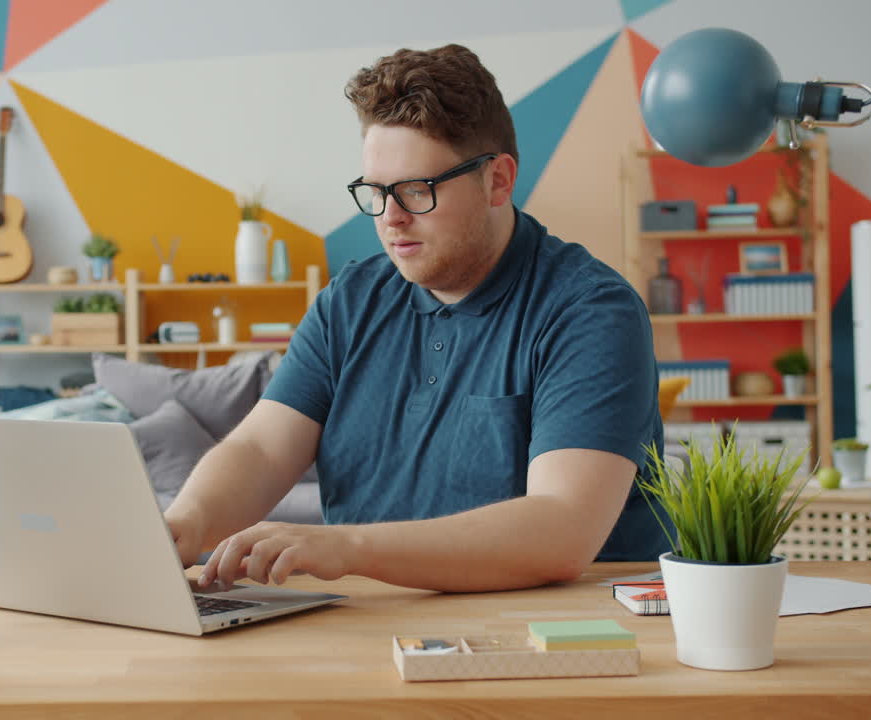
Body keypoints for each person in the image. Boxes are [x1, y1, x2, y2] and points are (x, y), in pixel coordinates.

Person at [164, 43, 667, 593]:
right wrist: (183, 524)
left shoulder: (589, 311)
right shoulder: (348, 303)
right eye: (375, 192)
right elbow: (260, 449)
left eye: (416, 190)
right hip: (374, 625)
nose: (391, 218)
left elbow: (561, 528)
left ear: (498, 180)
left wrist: (345, 546)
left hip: (556, 638)